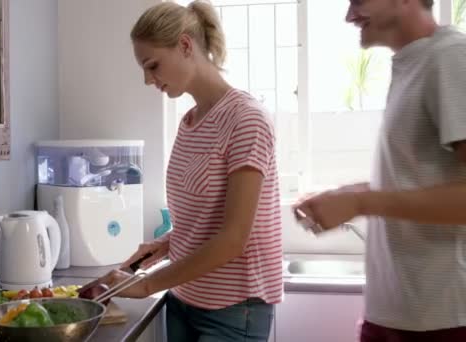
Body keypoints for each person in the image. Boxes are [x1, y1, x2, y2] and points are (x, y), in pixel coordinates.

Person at [94, 1, 283, 341]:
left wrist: (146, 284)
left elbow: (233, 239)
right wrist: (166, 244)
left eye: (152, 66)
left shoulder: (246, 119)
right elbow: (204, 220)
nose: (148, 79)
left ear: (184, 46)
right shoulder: (190, 123)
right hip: (183, 299)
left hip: (232, 312)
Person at [294, 0, 466, 340]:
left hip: (440, 321)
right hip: (395, 315)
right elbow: (417, 178)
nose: (348, 15)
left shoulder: (450, 58)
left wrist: (363, 202)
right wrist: (346, 197)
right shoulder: (413, 63)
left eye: (358, 1)